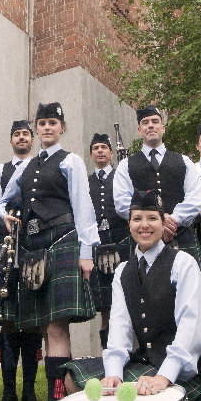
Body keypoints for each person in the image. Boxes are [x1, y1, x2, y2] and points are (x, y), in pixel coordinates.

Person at [60, 190, 201, 401]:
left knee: (151, 399)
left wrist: (164, 376)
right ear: (129, 224)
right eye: (137, 218)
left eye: (152, 218)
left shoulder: (182, 263)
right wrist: (114, 372)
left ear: (163, 223)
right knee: (74, 378)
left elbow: (191, 326)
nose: (144, 225)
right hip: (147, 359)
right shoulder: (123, 271)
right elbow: (119, 326)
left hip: (185, 366)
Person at [0, 102, 98, 401]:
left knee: (55, 328)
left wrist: (86, 253)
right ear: (37, 129)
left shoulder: (71, 161)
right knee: (43, 328)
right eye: (42, 123)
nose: (47, 128)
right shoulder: (25, 167)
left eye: (53, 122)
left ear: (62, 127)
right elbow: (4, 199)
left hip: (63, 242)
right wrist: (3, 212)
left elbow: (83, 207)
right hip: (33, 250)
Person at [0, 120, 46, 401]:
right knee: (7, 321)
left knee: (32, 321)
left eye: (26, 134)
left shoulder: (42, 168)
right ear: (11, 141)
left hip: (34, 247)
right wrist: (4, 215)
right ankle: (8, 396)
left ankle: (30, 394)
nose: (22, 138)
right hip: (5, 246)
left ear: (32, 140)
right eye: (17, 134)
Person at [112, 105, 201, 262]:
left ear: (163, 128)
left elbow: (195, 199)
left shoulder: (184, 162)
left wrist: (173, 220)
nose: (150, 125)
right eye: (145, 122)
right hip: (143, 238)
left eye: (155, 121)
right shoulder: (125, 165)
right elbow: (122, 202)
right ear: (139, 131)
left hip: (180, 235)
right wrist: (154, 222)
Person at [87, 133, 129, 349]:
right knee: (105, 307)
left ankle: (129, 351)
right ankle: (107, 353)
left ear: (111, 153)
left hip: (121, 243)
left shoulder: (122, 177)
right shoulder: (85, 182)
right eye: (96, 148)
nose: (100, 151)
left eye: (104, 147)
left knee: (125, 302)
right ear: (91, 155)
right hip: (98, 245)